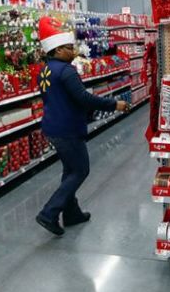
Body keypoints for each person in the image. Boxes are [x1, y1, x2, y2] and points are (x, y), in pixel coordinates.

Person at [35, 16, 128, 236]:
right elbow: (84, 98)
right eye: (68, 47)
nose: (73, 51)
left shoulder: (46, 69)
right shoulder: (66, 71)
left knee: (70, 170)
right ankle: (48, 213)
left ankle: (71, 213)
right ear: (57, 50)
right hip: (67, 129)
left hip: (52, 126)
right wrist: (114, 104)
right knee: (80, 170)